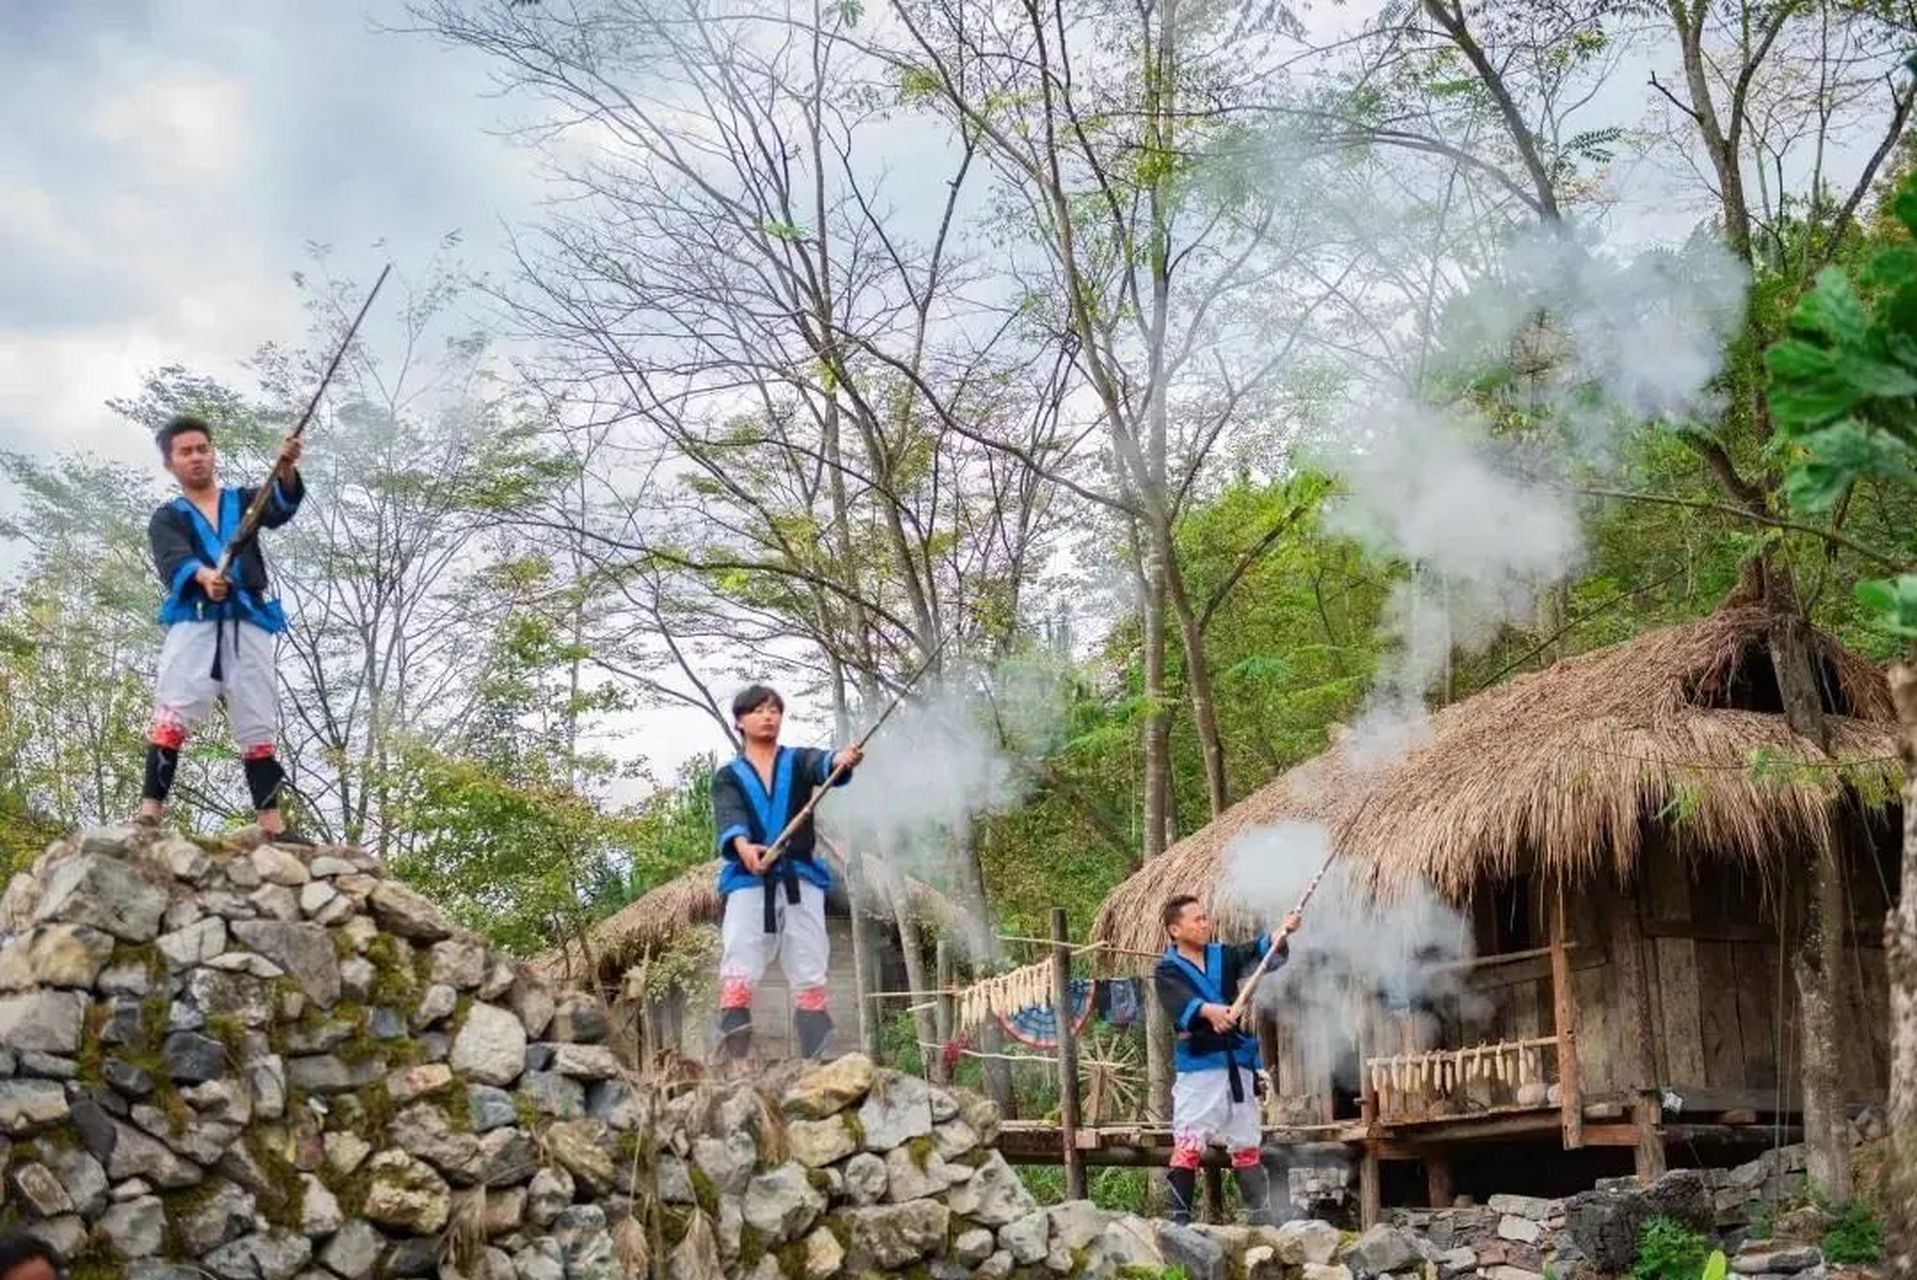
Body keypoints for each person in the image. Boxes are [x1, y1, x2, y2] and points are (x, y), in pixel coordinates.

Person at [137, 413, 306, 841]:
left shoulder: (246, 500)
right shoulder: (167, 517)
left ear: (213, 453)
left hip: (247, 621)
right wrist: (203, 577)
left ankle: (272, 826)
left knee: (257, 717)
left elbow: (281, 506)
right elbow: (173, 560)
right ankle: (149, 814)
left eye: (202, 449)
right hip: (194, 624)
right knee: (173, 711)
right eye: (185, 452)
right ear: (170, 463)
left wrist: (285, 466)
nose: (196, 458)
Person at [709, 684, 863, 1061]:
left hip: (800, 876)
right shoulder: (727, 776)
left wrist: (841, 759)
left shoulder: (796, 761)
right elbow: (731, 816)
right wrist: (745, 849)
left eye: (775, 710)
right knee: (740, 955)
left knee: (809, 957)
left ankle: (818, 1055)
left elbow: (823, 764)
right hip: (749, 881)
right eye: (759, 710)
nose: (768, 716)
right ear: (739, 722)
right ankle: (737, 1057)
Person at [1154, 894, 1302, 1225]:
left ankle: (1260, 1219)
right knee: (1189, 1142)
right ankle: (1179, 1221)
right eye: (1197, 919)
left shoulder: (1223, 955)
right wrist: (1209, 1010)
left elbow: (1258, 954)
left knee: (1246, 1142)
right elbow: (1181, 1003)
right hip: (1199, 1067)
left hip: (1238, 1062)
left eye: (1205, 918)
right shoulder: (1167, 970)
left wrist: (1280, 935)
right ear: (1175, 930)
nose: (1205, 924)